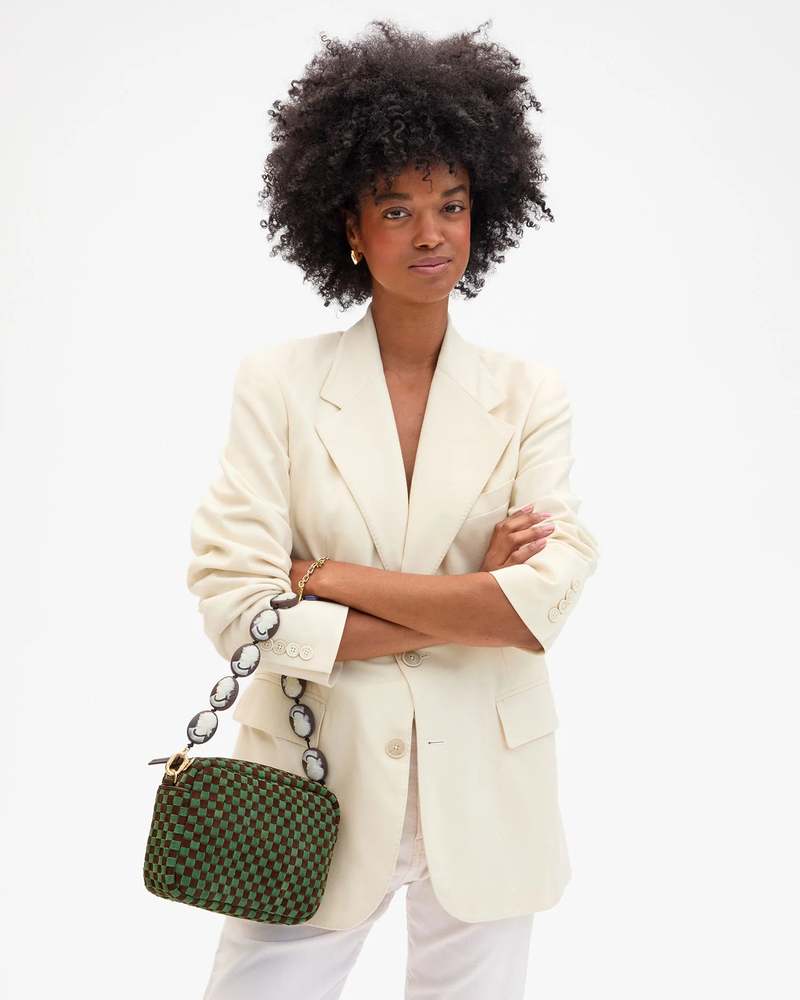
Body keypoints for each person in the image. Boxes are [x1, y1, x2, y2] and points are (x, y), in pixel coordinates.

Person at [187, 18, 600, 1000]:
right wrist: (470, 600)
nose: (429, 234)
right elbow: (237, 607)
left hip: (487, 791)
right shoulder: (279, 385)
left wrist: (327, 579)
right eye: (397, 209)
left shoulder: (528, 395)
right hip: (311, 783)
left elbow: (537, 606)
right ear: (348, 226)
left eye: (451, 205)